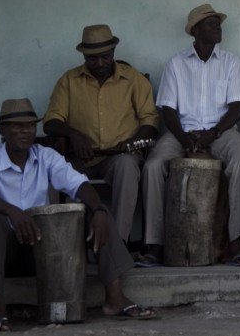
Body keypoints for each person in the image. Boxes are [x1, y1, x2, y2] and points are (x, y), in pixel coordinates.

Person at [0, 99, 155, 331]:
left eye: (30, 125)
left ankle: (115, 297)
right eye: (17, 126)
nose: (25, 131)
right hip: (4, 254)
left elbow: (78, 183)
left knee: (97, 210)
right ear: (2, 131)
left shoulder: (45, 156)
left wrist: (98, 210)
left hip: (41, 251)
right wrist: (13, 212)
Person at [147, 3, 240, 265]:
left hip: (221, 131)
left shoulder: (230, 62)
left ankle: (237, 242)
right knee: (152, 166)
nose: (218, 28)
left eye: (218, 23)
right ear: (195, 30)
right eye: (211, 24)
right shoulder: (176, 63)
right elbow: (168, 110)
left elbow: (236, 108)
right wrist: (185, 139)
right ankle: (153, 244)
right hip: (182, 132)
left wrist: (213, 133)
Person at [43, 24, 159, 262]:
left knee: (128, 166)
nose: (99, 63)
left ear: (113, 51)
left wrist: (131, 142)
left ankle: (117, 245)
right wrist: (74, 135)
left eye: (105, 56)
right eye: (92, 58)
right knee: (50, 171)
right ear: (84, 56)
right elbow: (51, 122)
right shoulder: (69, 80)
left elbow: (150, 120)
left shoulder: (133, 79)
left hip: (118, 157)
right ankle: (60, 250)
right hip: (80, 158)